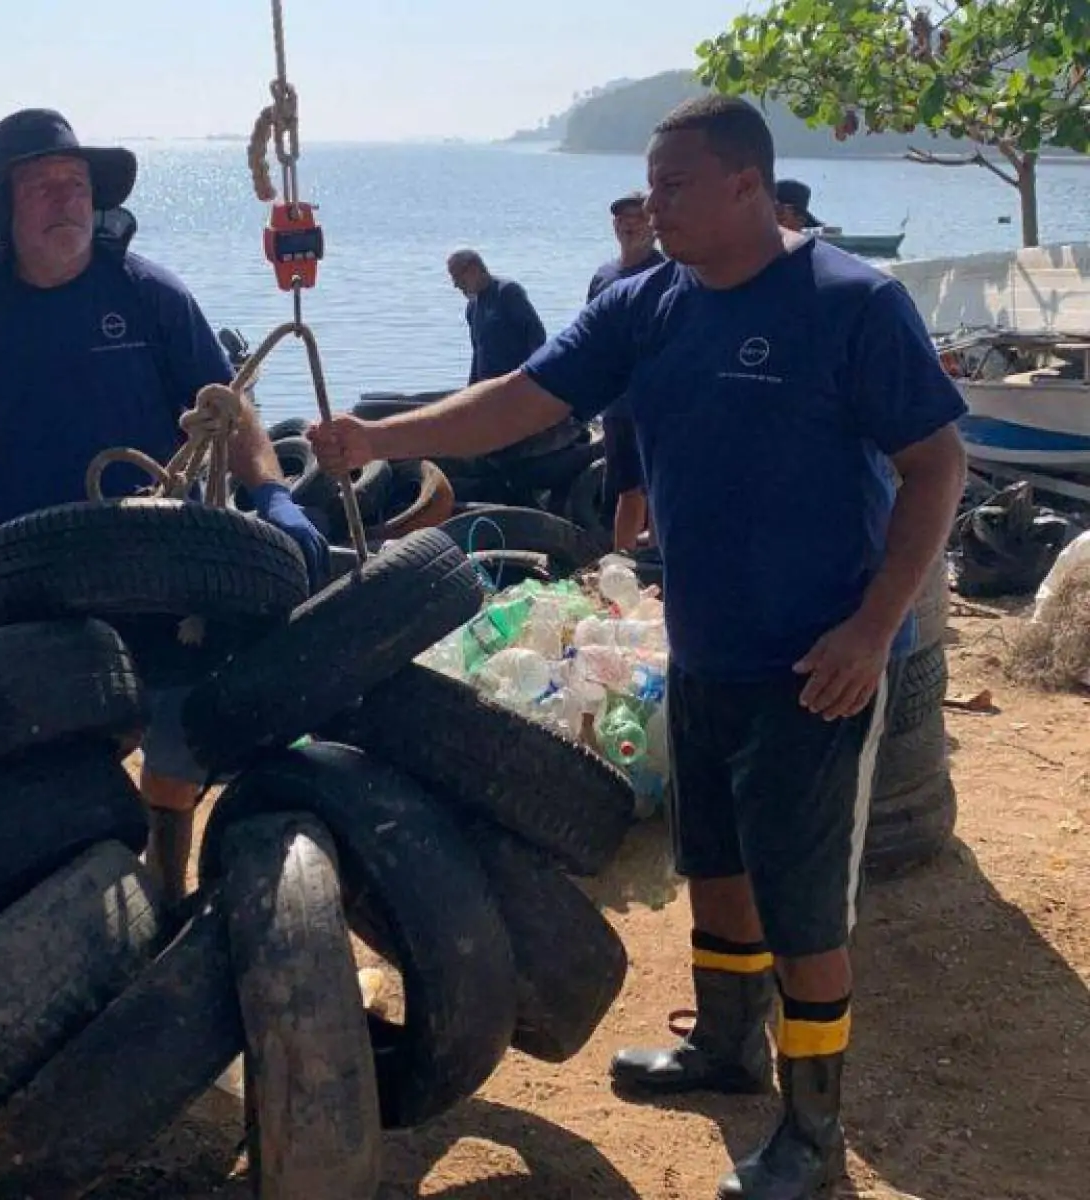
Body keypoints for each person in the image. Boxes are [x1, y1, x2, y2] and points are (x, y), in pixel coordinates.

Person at [311, 94, 968, 1200]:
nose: (648, 206)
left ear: (748, 186)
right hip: (699, 647)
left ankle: (811, 1128)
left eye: (671, 186)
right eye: (647, 187)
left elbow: (935, 465)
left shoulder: (851, 304)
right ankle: (723, 1046)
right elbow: (520, 399)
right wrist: (382, 435)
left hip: (820, 666)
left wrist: (869, 629)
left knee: (801, 901)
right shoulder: (647, 304)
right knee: (710, 863)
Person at [0, 108, 327, 908]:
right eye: (41, 187)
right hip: (34, 586)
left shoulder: (150, 295)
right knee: (58, 749)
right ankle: (75, 905)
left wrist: (273, 494)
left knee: (172, 741)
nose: (64, 201)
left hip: (162, 570)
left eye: (75, 184)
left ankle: (167, 895)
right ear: (6, 209)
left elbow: (230, 406)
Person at [586, 192, 666, 553]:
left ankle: (661, 554)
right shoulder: (603, 275)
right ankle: (622, 557)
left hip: (657, 401)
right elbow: (589, 338)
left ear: (653, 224)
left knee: (662, 484)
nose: (629, 224)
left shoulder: (668, 272)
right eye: (621, 219)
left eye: (637, 217)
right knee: (625, 486)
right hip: (616, 404)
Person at [447, 248, 547, 386]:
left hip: (516, 385)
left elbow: (537, 336)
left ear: (474, 269)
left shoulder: (507, 292)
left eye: (457, 277)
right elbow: (478, 353)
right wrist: (471, 390)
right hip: (489, 388)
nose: (456, 285)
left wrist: (532, 379)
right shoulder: (472, 307)